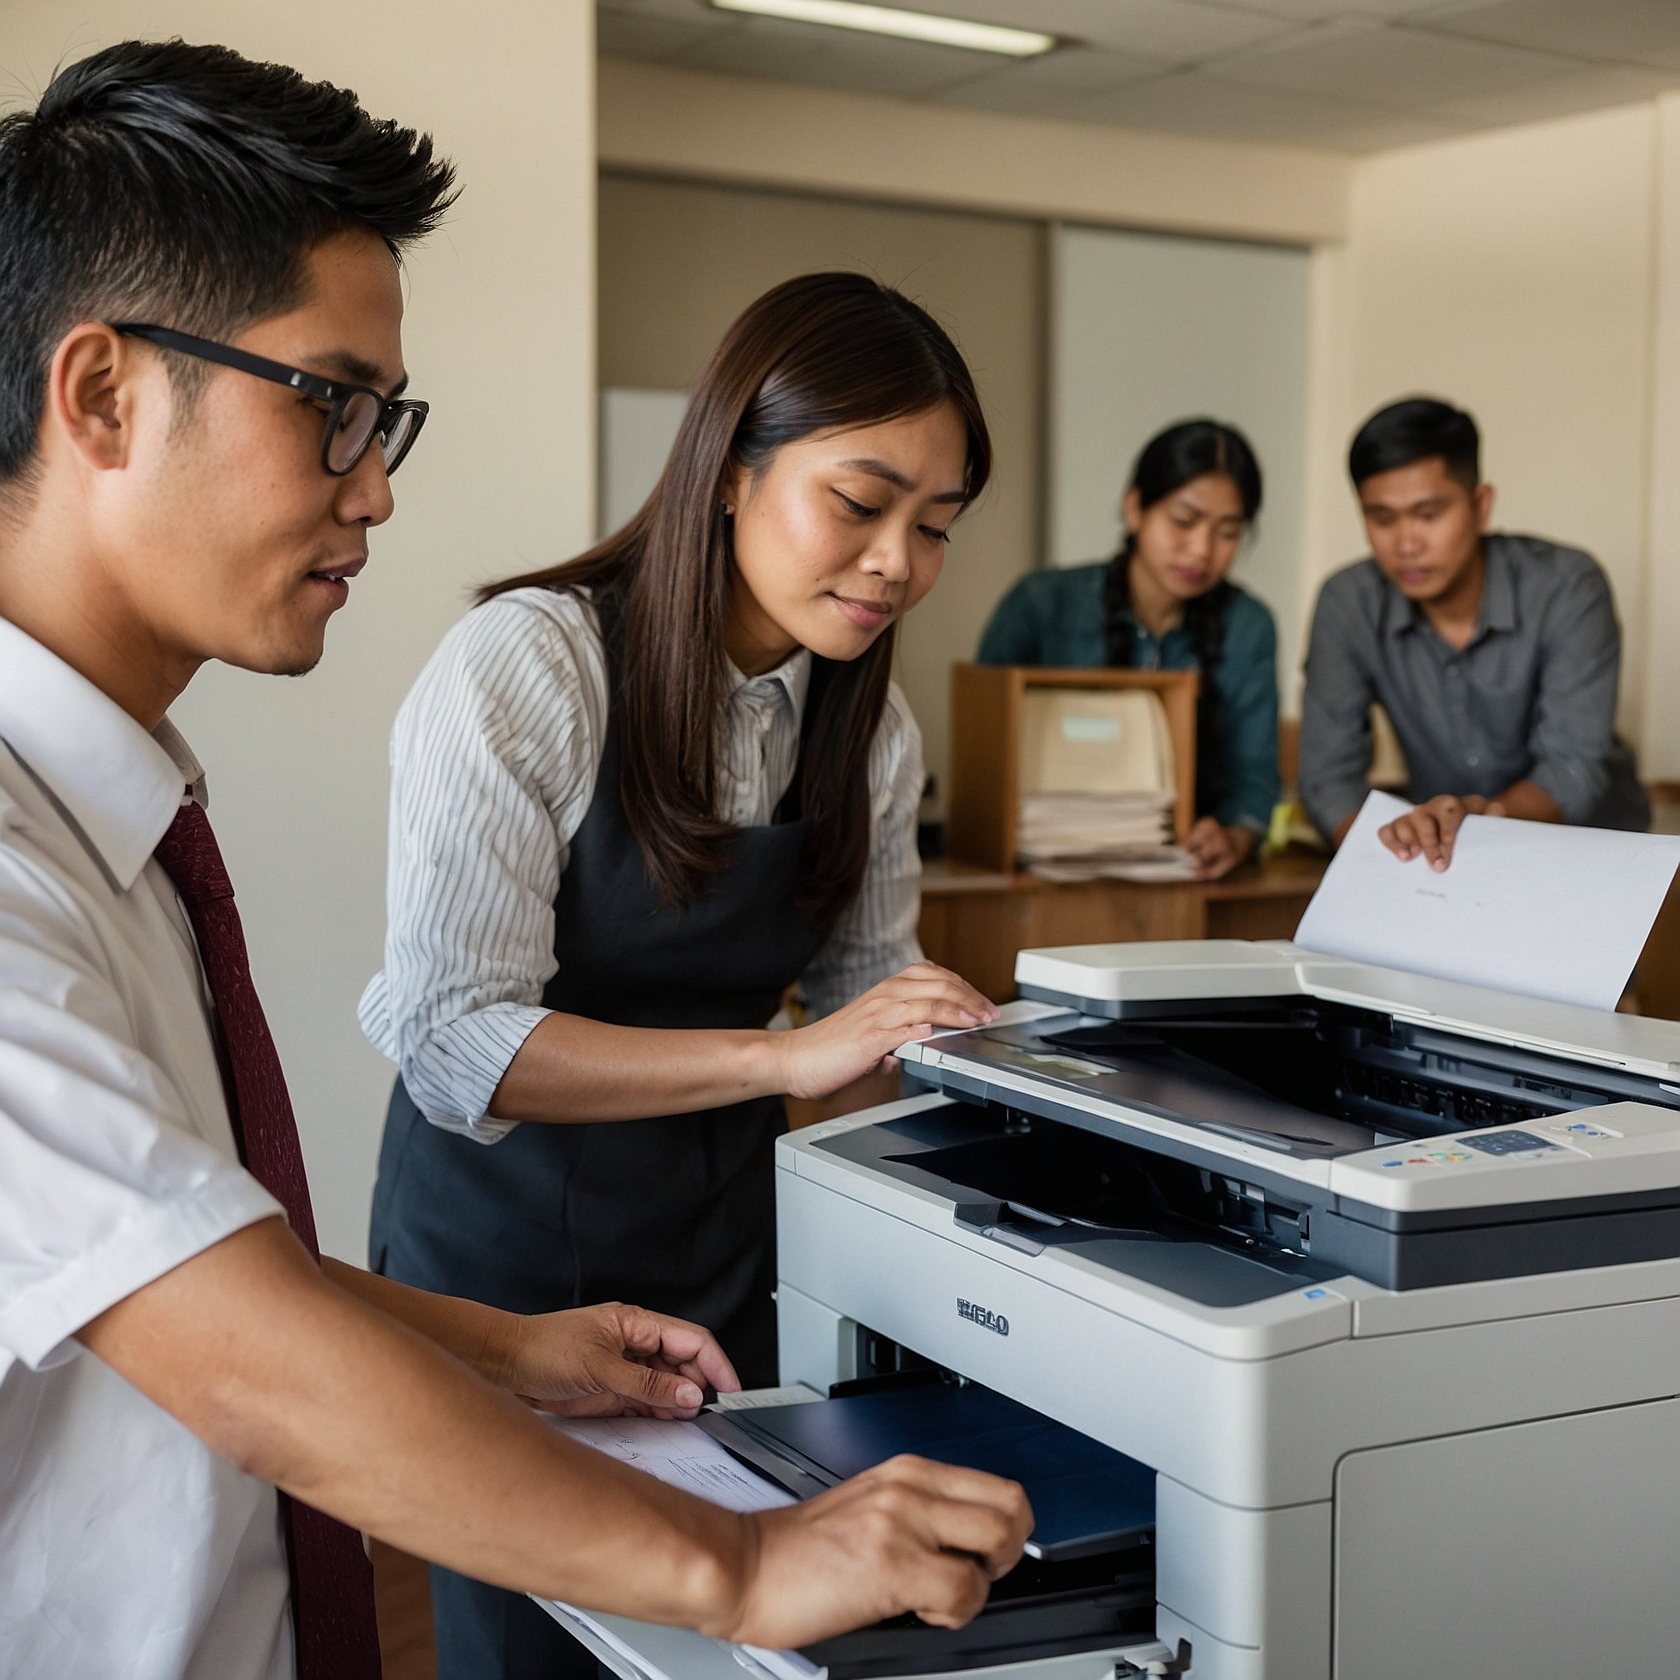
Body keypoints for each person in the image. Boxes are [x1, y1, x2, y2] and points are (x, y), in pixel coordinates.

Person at [0, 42, 1031, 1680]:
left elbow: (208, 1264)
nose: (378, 489)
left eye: (384, 420)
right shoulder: (528, 668)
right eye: (333, 407)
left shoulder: (118, 808)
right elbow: (244, 1348)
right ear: (105, 395)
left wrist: (495, 1351)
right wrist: (743, 1568)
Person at [359, 269, 1006, 1676]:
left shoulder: (870, 728)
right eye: (861, 502)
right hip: (504, 1253)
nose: (897, 562)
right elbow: (455, 1041)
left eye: (936, 525)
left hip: (719, 1235)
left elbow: (867, 1023)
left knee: (727, 1638)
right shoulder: (530, 667)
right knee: (531, 1645)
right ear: (728, 470)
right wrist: (786, 1056)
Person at [1298, 397, 1649, 871]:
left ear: (1480, 506)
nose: (1407, 544)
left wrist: (1482, 824)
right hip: (1444, 863)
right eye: (1382, 519)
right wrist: (1388, 850)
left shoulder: (1567, 587)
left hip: (1594, 856)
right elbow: (1327, 779)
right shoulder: (1348, 602)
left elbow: (1572, 766)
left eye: (1428, 515)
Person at [975, 418, 1280, 879]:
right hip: (1037, 869)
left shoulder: (1248, 626)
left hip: (1185, 872)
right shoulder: (1041, 605)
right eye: (1184, 522)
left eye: (1227, 532)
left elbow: (1254, 780)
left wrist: (1234, 838)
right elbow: (982, 757)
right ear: (1135, 508)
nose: (1201, 549)